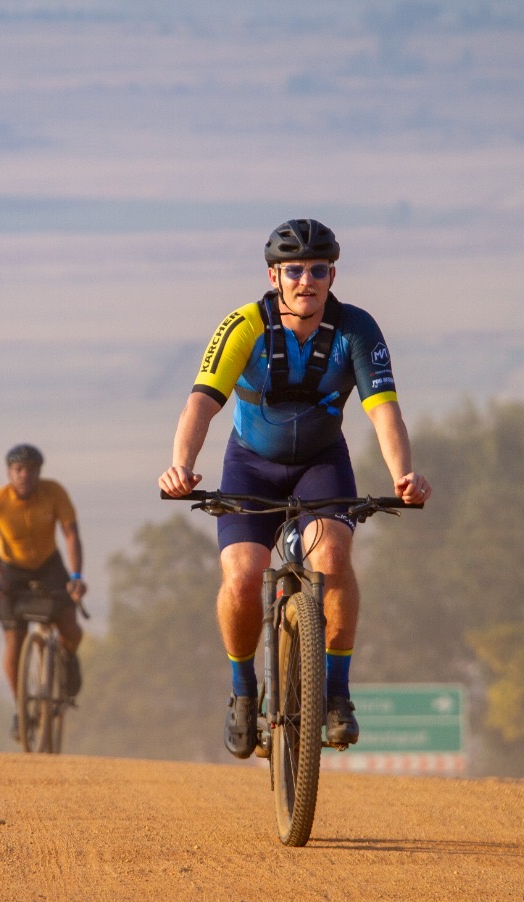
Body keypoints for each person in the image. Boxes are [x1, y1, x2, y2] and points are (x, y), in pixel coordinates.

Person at [156, 219, 431, 758]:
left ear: (332, 274)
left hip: (320, 463)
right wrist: (180, 467)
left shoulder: (357, 330)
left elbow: (384, 413)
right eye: (295, 270)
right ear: (274, 275)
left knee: (332, 557)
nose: (307, 281)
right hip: (250, 467)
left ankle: (336, 694)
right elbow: (201, 404)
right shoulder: (243, 327)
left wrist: (404, 475)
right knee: (241, 578)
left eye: (318, 270)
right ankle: (242, 693)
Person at [0, 444, 86, 733]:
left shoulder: (54, 493)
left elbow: (70, 534)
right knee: (13, 639)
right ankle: (20, 707)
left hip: (50, 565)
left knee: (71, 628)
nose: (25, 475)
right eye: (18, 470)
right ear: (9, 472)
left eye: (31, 470)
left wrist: (75, 575)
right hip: (11, 570)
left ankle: (68, 658)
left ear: (40, 472)